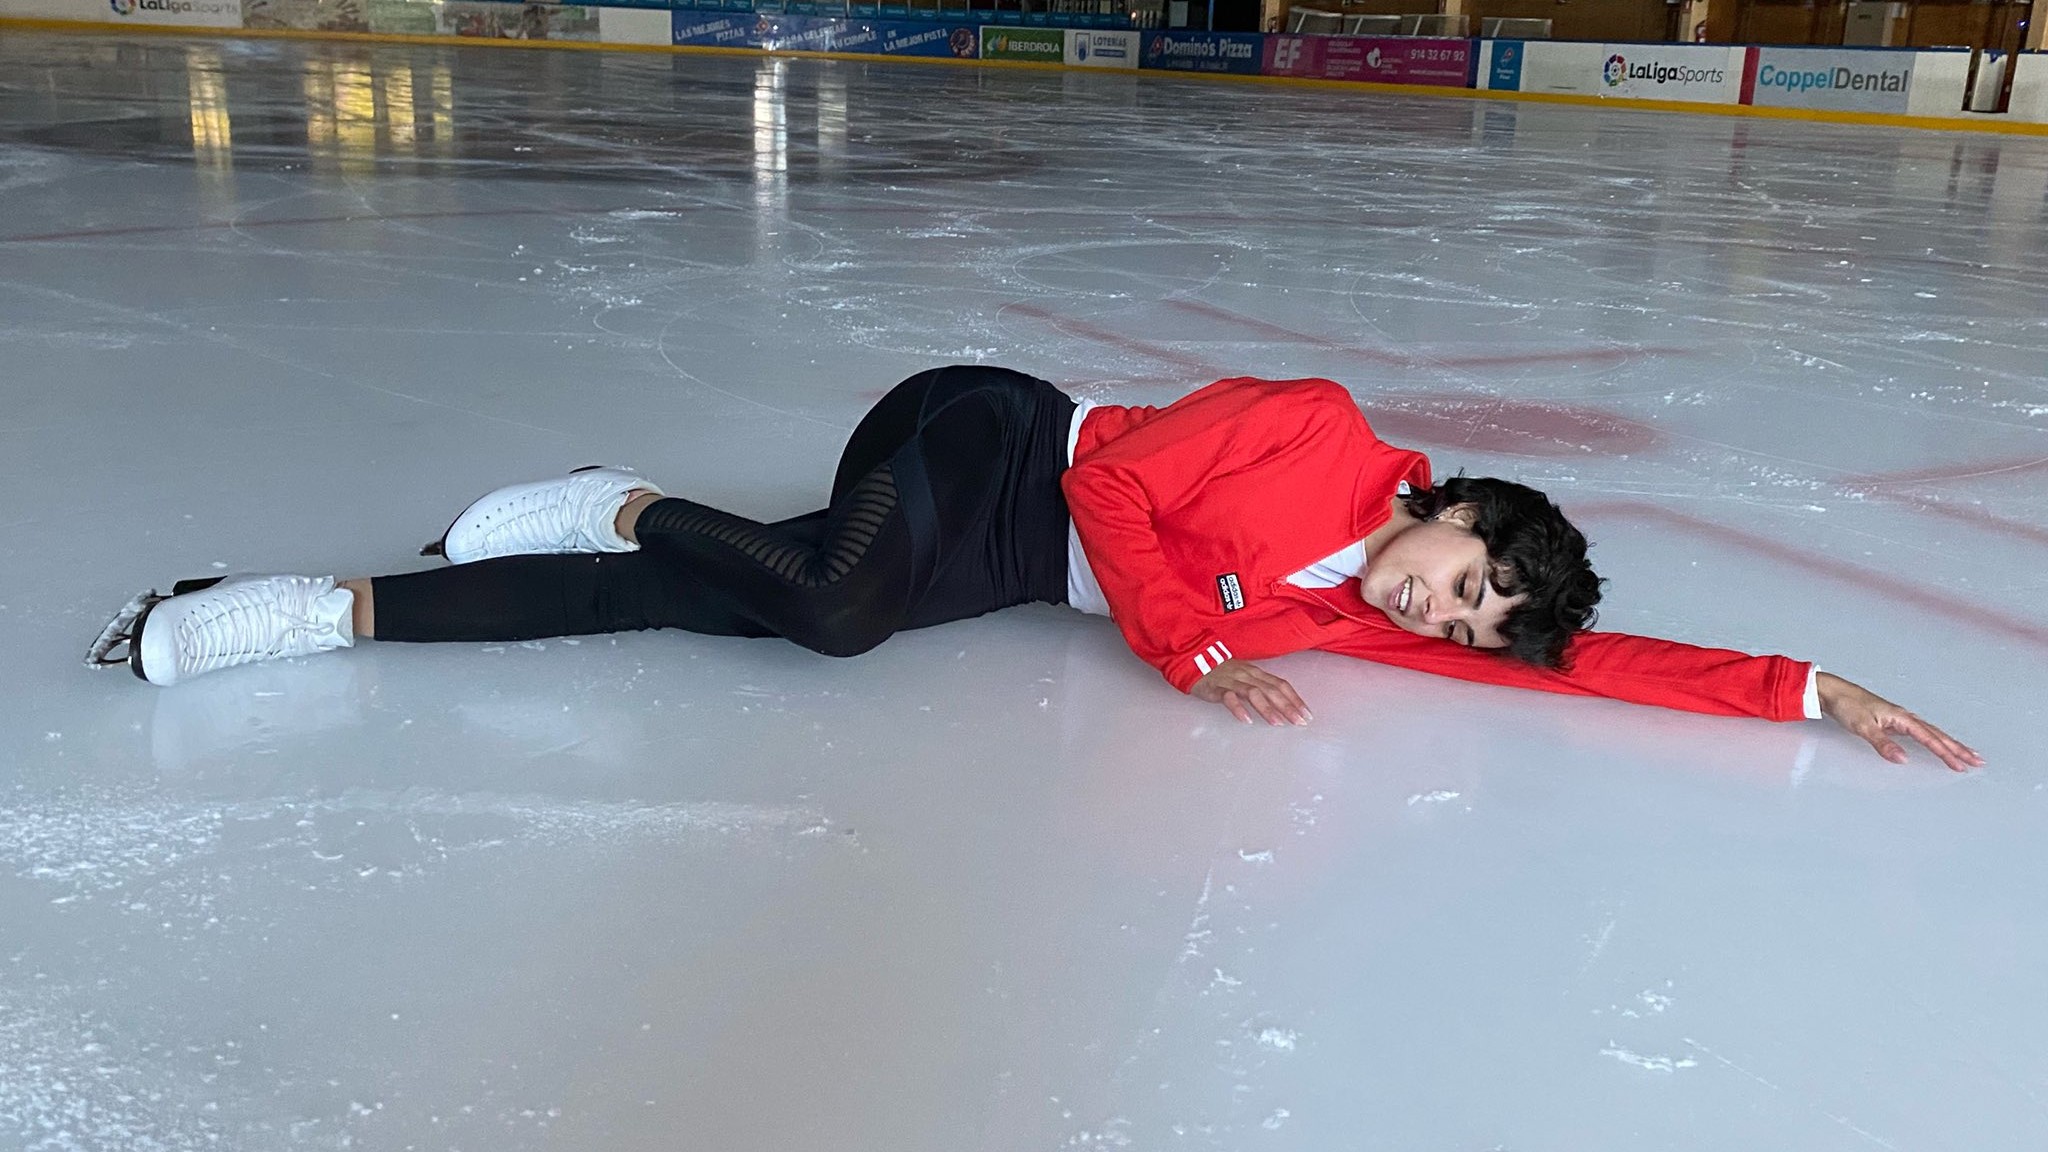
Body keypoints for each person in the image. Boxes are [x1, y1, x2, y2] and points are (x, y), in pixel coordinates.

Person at [87, 365, 1980, 773]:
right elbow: (1122, 492)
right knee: (828, 610)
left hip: (1014, 569)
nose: (1442, 613)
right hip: (998, 446)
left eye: (1469, 622)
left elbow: (1592, 664)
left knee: (735, 603)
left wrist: (1813, 691)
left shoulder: (1372, 613)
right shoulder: (1316, 428)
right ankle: (621, 491)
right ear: (1456, 507)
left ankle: (310, 612)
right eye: (1466, 574)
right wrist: (1187, 654)